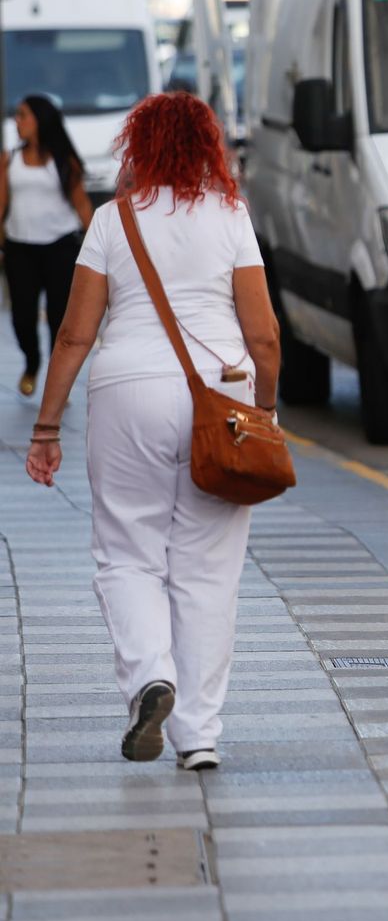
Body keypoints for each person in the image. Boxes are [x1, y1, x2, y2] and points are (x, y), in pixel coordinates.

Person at [23, 92, 280, 771]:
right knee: (207, 569)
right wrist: (267, 414)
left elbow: (75, 332)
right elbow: (264, 334)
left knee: (127, 551)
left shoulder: (113, 220)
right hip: (220, 394)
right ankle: (199, 734)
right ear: (206, 147)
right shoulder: (230, 216)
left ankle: (149, 679)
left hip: (126, 390)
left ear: (140, 146)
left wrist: (46, 427)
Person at [0, 94, 93, 396]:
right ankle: (32, 360)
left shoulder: (65, 162)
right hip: (20, 247)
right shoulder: (9, 159)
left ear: (40, 120)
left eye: (23, 115)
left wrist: (99, 245)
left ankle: (58, 381)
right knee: (22, 317)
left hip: (60, 247)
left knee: (59, 318)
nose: (17, 121)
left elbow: (82, 206)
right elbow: (1, 205)